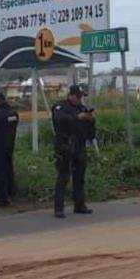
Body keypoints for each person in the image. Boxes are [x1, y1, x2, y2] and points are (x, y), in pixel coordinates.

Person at [52, 84, 95, 218]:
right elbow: (59, 119)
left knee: (80, 177)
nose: (79, 99)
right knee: (63, 177)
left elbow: (90, 131)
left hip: (79, 146)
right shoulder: (61, 107)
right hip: (65, 146)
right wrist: (77, 117)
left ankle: (79, 205)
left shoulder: (82, 108)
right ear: (70, 95)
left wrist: (90, 120)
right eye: (77, 96)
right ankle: (59, 208)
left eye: (81, 97)